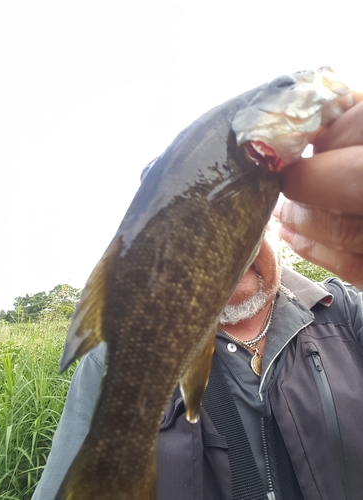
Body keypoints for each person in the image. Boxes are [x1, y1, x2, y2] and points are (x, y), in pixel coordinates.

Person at [32, 93, 363, 500]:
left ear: (270, 221)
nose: (220, 247)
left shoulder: (346, 313)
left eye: (235, 218)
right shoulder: (111, 360)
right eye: (191, 237)